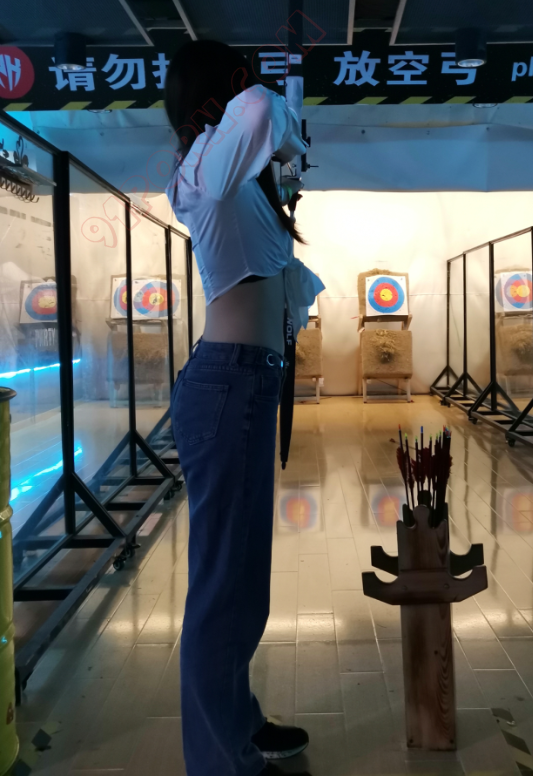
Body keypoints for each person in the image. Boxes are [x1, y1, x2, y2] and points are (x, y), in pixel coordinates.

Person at [164, 40, 324, 776]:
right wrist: (272, 102)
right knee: (222, 590)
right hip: (230, 386)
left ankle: (239, 725)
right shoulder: (204, 168)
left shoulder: (232, 179)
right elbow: (260, 109)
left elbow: (267, 127)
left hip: (242, 384)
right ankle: (219, 761)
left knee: (241, 586)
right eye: (235, 83)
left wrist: (287, 155)